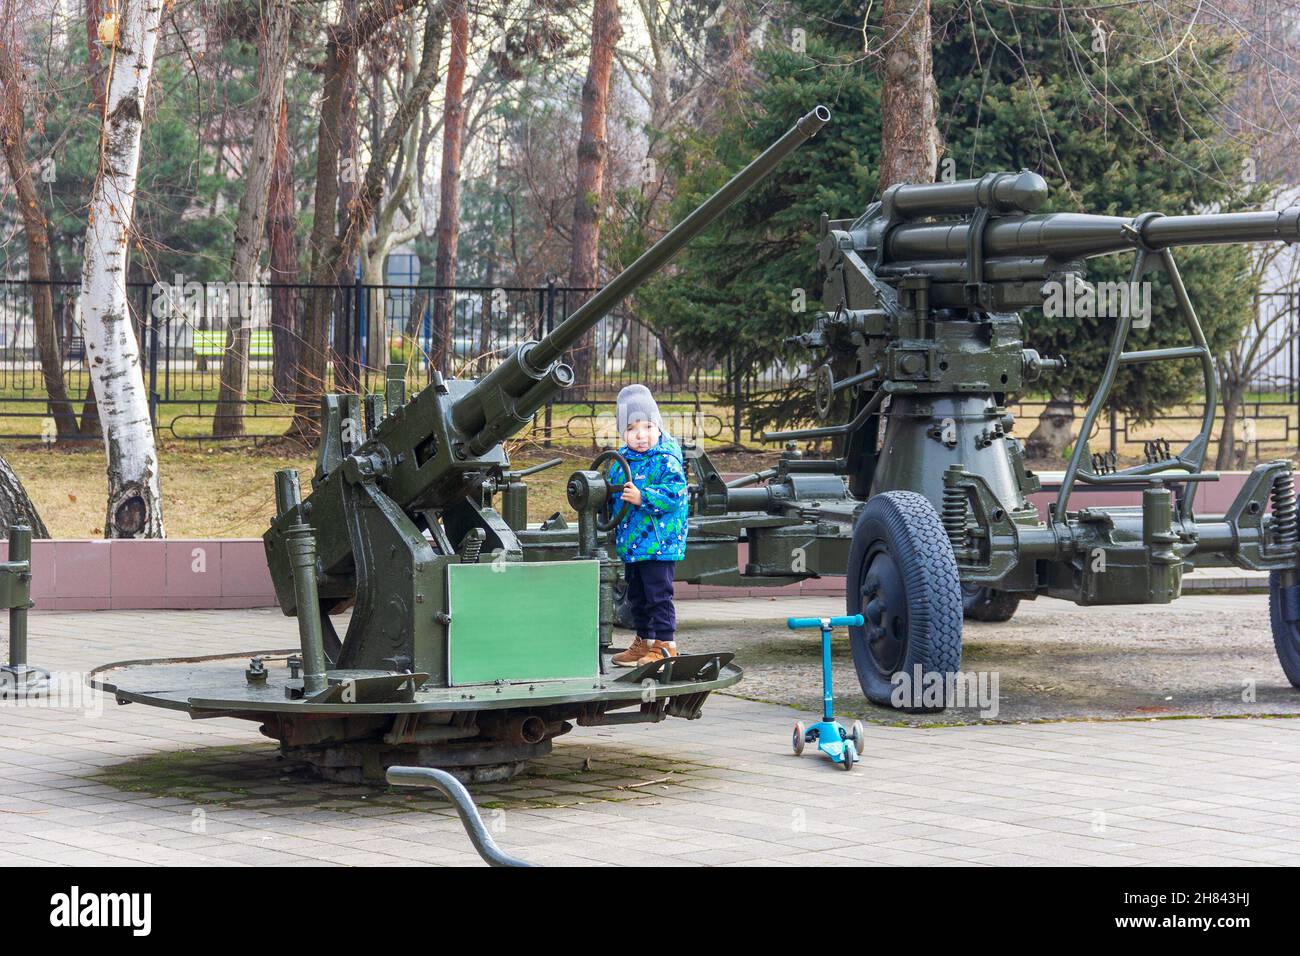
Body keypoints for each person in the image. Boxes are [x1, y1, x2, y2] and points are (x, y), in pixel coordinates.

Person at [606, 384, 688, 667]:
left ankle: (666, 645)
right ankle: (644, 642)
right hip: (632, 545)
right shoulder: (620, 461)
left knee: (658, 595)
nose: (641, 435)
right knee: (637, 597)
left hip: (659, 543)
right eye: (631, 429)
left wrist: (643, 497)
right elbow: (612, 496)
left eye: (647, 426)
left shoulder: (666, 458)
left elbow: (675, 494)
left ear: (658, 427)